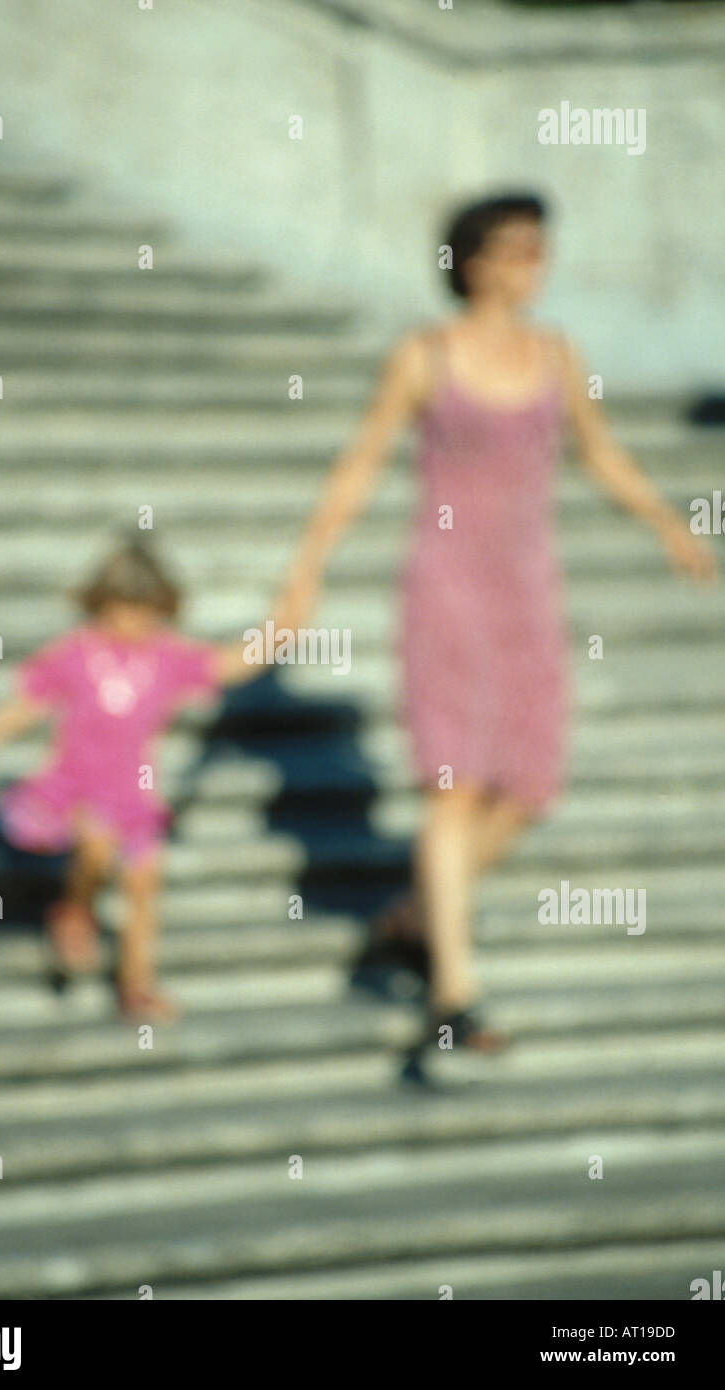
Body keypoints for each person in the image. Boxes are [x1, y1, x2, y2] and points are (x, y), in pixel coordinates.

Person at [281, 192, 716, 1080]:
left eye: (539, 250)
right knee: (452, 785)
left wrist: (665, 522)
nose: (531, 265)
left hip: (526, 592)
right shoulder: (422, 356)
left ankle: (409, 915)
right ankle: (453, 993)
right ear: (471, 260)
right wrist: (305, 570)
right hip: (445, 588)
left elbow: (597, 450)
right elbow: (362, 459)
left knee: (524, 788)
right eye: (514, 249)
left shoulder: (556, 355)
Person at [0, 538, 298, 1022]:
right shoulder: (75, 654)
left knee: (144, 883)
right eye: (123, 611)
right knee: (96, 840)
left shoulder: (164, 658)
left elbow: (231, 663)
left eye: (145, 613)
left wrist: (284, 623)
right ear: (99, 605)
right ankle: (75, 908)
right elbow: (25, 706)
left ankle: (136, 983)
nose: (132, 625)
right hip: (70, 789)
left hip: (131, 796)